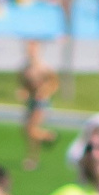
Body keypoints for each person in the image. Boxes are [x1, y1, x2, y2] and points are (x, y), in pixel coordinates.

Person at [18, 40, 60, 172]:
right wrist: (23, 92)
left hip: (41, 102)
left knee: (31, 129)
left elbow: (54, 83)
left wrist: (45, 91)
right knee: (27, 131)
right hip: (31, 101)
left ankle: (49, 136)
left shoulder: (44, 68)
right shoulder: (25, 68)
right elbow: (22, 83)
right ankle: (33, 156)